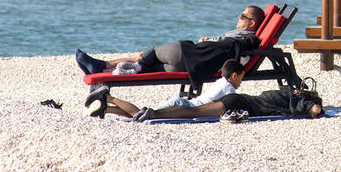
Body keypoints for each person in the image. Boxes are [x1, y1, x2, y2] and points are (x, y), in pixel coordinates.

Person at [75, 6, 265, 76]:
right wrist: (210, 41)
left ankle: (135, 65)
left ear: (252, 23)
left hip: (187, 54)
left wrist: (208, 41)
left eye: (243, 15)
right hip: (193, 67)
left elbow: (226, 46)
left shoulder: (243, 37)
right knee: (152, 65)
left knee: (153, 51)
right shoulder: (243, 38)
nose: (238, 17)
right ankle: (103, 69)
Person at [87, 59, 246, 118]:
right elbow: (230, 106)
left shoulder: (220, 82)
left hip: (183, 103)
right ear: (234, 75)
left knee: (141, 114)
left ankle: (107, 109)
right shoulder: (229, 88)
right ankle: (108, 98)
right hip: (183, 107)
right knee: (142, 115)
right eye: (241, 77)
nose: (240, 82)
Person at [132, 87, 324, 122]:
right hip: (238, 103)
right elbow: (314, 108)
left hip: (239, 99)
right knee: (194, 111)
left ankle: (155, 113)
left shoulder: (286, 92)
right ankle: (154, 114)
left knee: (194, 110)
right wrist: (316, 110)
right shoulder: (295, 98)